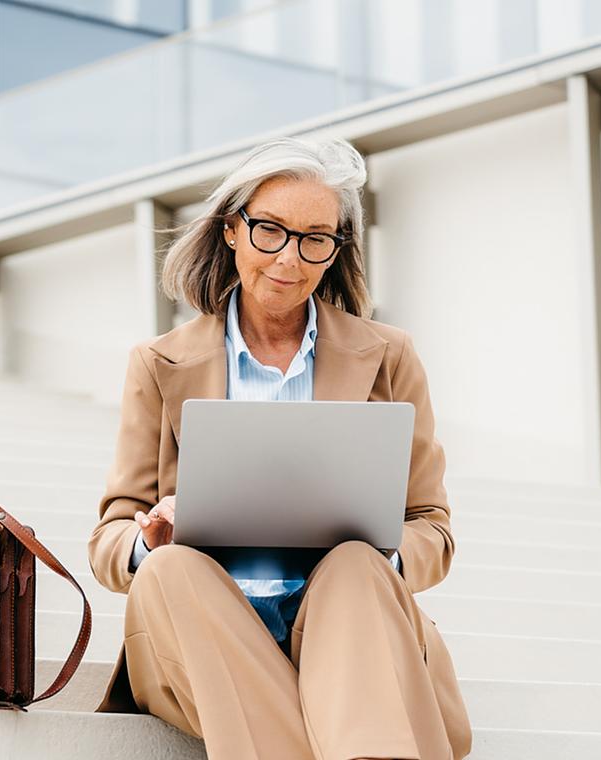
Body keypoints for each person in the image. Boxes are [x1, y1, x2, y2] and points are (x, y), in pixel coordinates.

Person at [86, 135, 472, 760]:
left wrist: (383, 555)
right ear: (231, 230)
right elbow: (108, 542)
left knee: (354, 563)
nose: (289, 258)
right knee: (169, 567)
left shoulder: (390, 356)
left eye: (315, 238)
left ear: (337, 249)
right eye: (269, 230)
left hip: (349, 631)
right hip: (207, 630)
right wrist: (147, 538)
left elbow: (432, 528)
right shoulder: (159, 364)